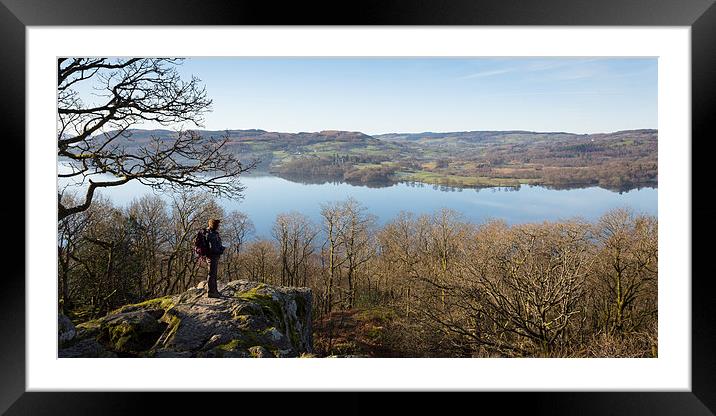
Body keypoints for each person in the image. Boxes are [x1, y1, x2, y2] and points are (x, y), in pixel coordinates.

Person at [204, 218, 226, 298]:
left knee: (213, 274)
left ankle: (215, 291)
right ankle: (211, 292)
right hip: (212, 257)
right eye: (217, 225)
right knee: (212, 274)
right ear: (214, 225)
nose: (219, 226)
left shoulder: (211, 232)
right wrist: (221, 250)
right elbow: (213, 248)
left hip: (212, 256)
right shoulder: (211, 234)